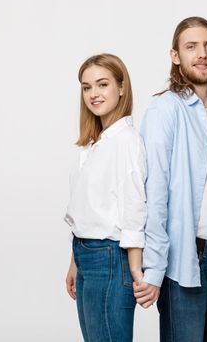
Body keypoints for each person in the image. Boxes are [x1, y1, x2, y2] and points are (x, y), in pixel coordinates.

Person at [132, 17, 207, 341]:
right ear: (175, 56)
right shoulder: (165, 111)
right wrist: (155, 269)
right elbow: (154, 195)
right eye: (191, 47)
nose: (202, 54)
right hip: (187, 264)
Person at [64, 53, 147, 342]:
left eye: (102, 84)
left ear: (121, 87)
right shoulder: (92, 144)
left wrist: (136, 269)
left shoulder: (126, 141)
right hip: (86, 255)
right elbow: (85, 210)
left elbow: (134, 208)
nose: (93, 94)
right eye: (87, 87)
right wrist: (75, 263)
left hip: (111, 258)